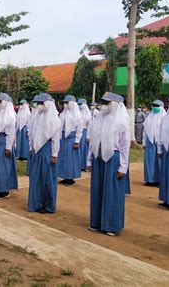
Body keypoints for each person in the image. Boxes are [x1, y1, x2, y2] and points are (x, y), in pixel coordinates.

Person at [87, 92, 130, 236]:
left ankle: (111, 225)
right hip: (98, 158)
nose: (104, 105)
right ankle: (96, 221)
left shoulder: (121, 121)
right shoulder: (99, 119)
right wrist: (89, 159)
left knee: (112, 192)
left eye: (107, 103)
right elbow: (93, 140)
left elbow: (124, 146)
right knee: (97, 190)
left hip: (113, 159)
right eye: (103, 102)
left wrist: (123, 166)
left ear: (115, 104)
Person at [28, 93, 62, 213]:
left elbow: (55, 139)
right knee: (36, 178)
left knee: (47, 179)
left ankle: (48, 205)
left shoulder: (54, 120)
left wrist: (54, 154)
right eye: (38, 103)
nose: (39, 105)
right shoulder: (37, 116)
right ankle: (36, 202)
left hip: (47, 152)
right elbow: (32, 132)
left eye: (41, 103)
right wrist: (31, 147)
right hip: (37, 152)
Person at [57, 95, 82, 186]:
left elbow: (79, 129)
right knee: (63, 158)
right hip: (63, 138)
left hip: (71, 139)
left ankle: (70, 178)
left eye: (67, 102)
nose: (65, 104)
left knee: (71, 160)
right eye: (65, 103)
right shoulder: (64, 113)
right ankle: (64, 176)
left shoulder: (77, 115)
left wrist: (77, 141)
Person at [142, 100, 166, 186]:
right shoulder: (149, 117)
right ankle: (150, 180)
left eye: (157, 106)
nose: (155, 107)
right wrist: (144, 142)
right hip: (150, 142)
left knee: (159, 162)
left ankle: (159, 181)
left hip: (159, 143)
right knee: (149, 161)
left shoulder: (165, 118)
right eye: (154, 105)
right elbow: (145, 131)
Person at [78, 98, 91, 172]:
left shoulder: (88, 115)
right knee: (78, 149)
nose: (79, 105)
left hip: (84, 133)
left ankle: (83, 165)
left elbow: (89, 126)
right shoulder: (78, 113)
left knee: (84, 149)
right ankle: (78, 165)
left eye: (80, 104)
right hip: (78, 132)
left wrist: (88, 136)